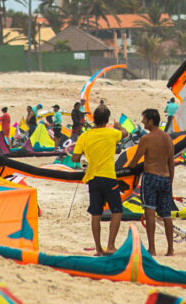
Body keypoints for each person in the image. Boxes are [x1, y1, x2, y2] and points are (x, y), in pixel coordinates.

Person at [72, 105, 124, 256]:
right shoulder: (112, 133)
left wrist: (85, 155)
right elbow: (125, 133)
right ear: (107, 120)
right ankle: (111, 245)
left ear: (93, 119)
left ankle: (99, 249)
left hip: (93, 179)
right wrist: (118, 126)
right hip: (108, 177)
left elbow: (74, 158)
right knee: (117, 211)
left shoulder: (84, 136)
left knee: (96, 214)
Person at [132, 108, 175, 256]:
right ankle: (170, 250)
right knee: (166, 215)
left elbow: (134, 161)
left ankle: (152, 249)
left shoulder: (146, 139)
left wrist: (126, 168)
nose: (142, 122)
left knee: (150, 213)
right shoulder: (168, 138)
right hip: (165, 178)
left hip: (150, 177)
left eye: (144, 119)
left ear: (151, 120)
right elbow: (171, 163)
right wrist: (170, 182)